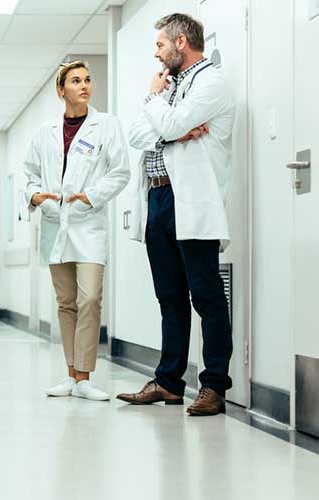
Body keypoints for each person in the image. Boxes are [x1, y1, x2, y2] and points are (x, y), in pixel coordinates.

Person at [116, 13, 235, 416]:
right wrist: (168, 125)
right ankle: (169, 382)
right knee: (169, 296)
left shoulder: (212, 82)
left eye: (161, 45)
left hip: (192, 200)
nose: (157, 53)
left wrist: (158, 109)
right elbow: (137, 134)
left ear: (181, 42)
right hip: (159, 201)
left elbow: (171, 122)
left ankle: (214, 386)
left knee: (206, 295)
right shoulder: (171, 85)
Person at [24, 60, 130, 401]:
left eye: (87, 80)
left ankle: (85, 376)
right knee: (66, 302)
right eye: (75, 81)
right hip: (56, 224)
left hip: (89, 224)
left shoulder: (107, 125)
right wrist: (35, 195)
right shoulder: (45, 132)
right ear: (61, 90)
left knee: (90, 298)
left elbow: (120, 172)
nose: (84, 85)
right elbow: (30, 175)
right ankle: (71, 375)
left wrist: (92, 196)